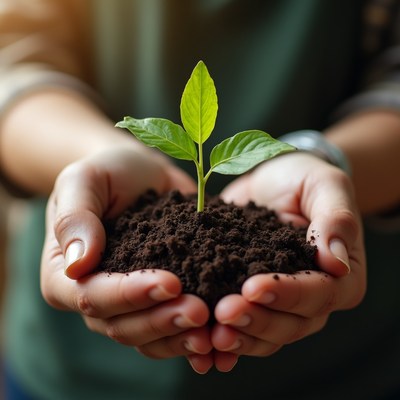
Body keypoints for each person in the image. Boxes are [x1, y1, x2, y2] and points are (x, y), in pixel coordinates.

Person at [0, 0, 399, 398]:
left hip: (339, 374)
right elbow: (16, 50)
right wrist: (91, 158)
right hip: (71, 372)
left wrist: (324, 163)